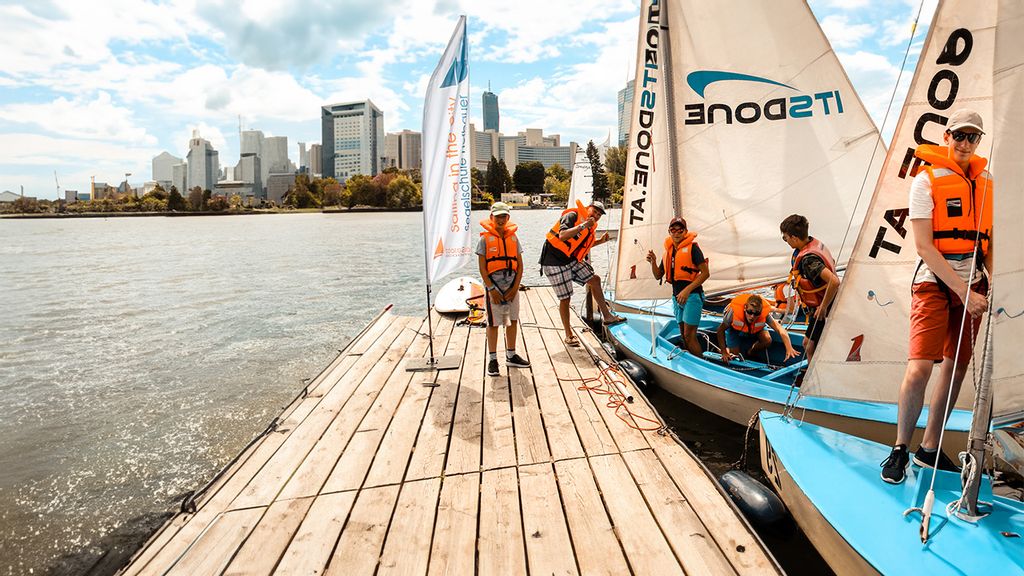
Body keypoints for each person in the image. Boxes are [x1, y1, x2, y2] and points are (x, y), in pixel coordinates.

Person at [881, 109, 993, 484]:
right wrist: (963, 291)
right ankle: (899, 448)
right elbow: (925, 247)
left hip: (974, 285)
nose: (965, 143)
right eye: (959, 135)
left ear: (979, 141)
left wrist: (992, 285)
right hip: (933, 282)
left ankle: (929, 448)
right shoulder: (925, 181)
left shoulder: (987, 182)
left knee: (956, 368)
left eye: (972, 137)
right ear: (947, 137)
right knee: (921, 367)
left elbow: (990, 242)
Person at [539, 200, 624, 347]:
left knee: (595, 280)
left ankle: (608, 316)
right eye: (595, 211)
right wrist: (584, 225)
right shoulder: (572, 215)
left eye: (599, 214)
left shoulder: (589, 226)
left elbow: (583, 244)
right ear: (588, 208)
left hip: (569, 259)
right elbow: (563, 236)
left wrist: (601, 241)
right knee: (565, 298)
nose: (596, 215)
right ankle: (568, 335)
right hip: (553, 261)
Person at [477, 202, 531, 377]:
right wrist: (492, 289)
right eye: (497, 216)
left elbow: (520, 266)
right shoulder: (484, 239)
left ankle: (511, 354)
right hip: (494, 288)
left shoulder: (514, 239)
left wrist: (515, 288)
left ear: (508, 218)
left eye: (504, 216)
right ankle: (493, 359)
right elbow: (482, 268)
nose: (501, 220)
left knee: (512, 320)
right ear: (491, 217)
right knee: (493, 323)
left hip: (512, 288)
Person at [645, 217, 710, 356]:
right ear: (669, 232)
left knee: (689, 335)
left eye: (680, 230)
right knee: (683, 334)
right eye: (673, 230)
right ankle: (691, 362)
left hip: (692, 297)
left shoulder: (693, 249)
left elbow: (705, 273)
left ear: (685, 232)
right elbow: (658, 275)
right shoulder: (668, 252)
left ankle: (701, 366)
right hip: (676, 298)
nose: (676, 233)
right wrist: (653, 262)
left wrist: (687, 291)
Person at [780, 214, 840, 362]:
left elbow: (834, 281)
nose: (786, 241)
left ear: (794, 238)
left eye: (785, 238)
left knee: (808, 345)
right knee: (809, 343)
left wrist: (823, 307)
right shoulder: (812, 243)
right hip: (824, 303)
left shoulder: (808, 260)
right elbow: (832, 262)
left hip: (823, 307)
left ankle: (812, 380)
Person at [716, 293, 798, 365]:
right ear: (745, 308)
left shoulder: (764, 314)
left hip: (755, 328)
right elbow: (720, 330)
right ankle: (723, 350)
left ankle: (751, 352)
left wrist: (789, 347)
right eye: (750, 312)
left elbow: (780, 329)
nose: (752, 316)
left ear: (761, 311)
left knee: (767, 339)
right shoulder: (732, 313)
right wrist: (723, 352)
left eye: (756, 313)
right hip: (734, 328)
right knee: (735, 356)